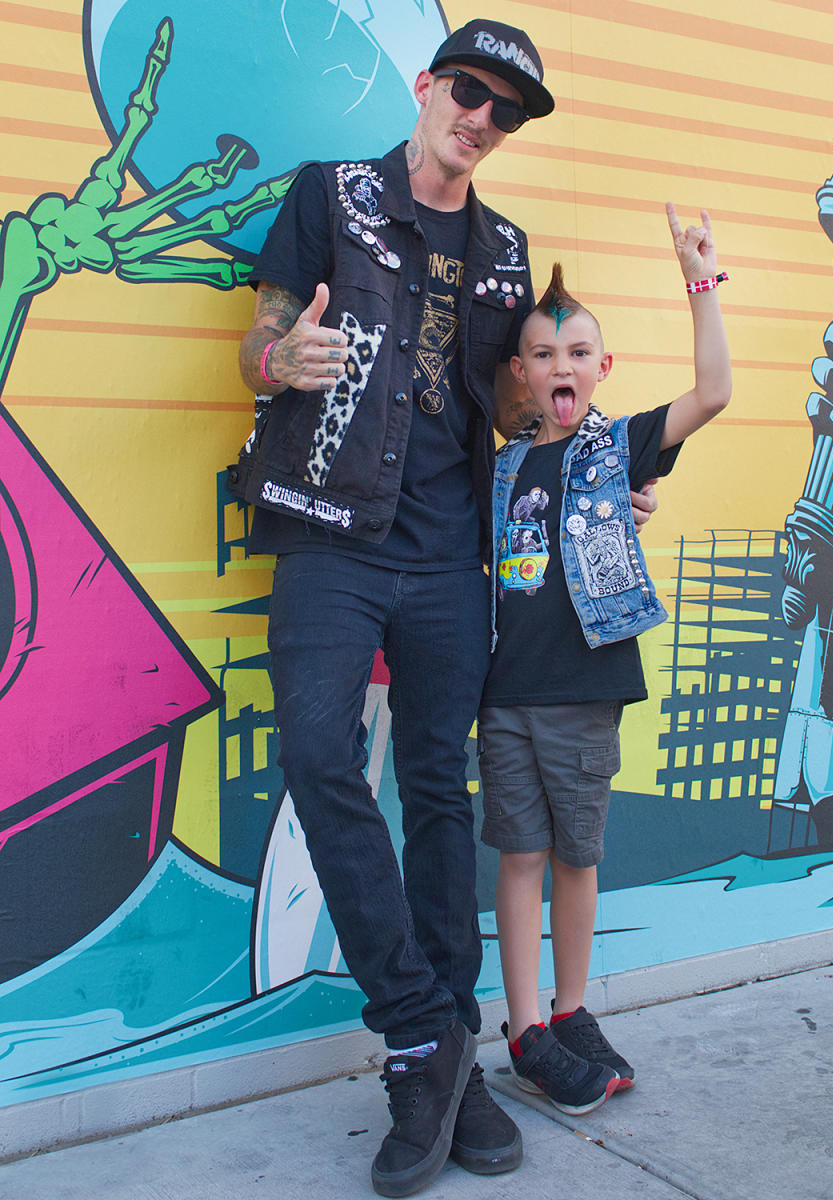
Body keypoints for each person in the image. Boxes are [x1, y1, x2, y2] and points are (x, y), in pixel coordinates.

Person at [230, 18, 656, 1197]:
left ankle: (445, 1057)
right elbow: (261, 342)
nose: (480, 116)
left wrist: (607, 479)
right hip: (329, 535)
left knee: (436, 789)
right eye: (468, 90)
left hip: (448, 558)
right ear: (427, 85)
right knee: (317, 751)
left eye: (504, 110)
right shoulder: (334, 195)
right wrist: (280, 366)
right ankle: (425, 1030)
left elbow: (518, 416)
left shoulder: (510, 254)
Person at [479, 207, 731, 1114]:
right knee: (519, 856)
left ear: (603, 369)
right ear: (520, 372)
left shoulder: (617, 448)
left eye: (579, 353)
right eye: (544, 355)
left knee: (576, 858)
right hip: (504, 694)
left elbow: (712, 393)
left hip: (585, 693)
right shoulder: (499, 470)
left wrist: (698, 280)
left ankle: (571, 1007)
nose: (562, 368)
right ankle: (523, 1028)